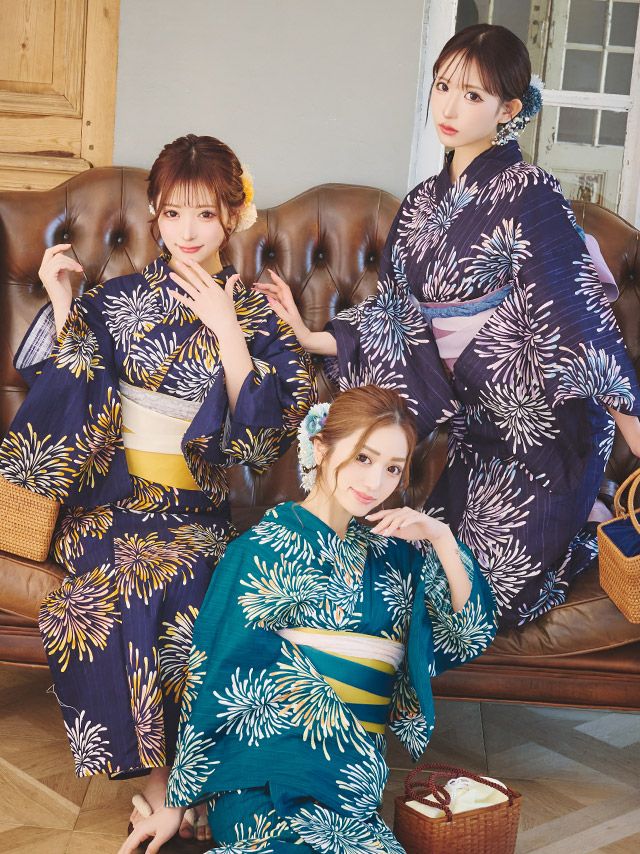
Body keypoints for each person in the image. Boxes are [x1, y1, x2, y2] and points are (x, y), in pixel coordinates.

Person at [255, 24, 640, 628]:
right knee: (419, 576)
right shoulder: (420, 204)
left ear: (509, 110)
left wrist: (633, 427)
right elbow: (395, 315)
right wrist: (310, 337)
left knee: (479, 597)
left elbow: (571, 311)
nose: (450, 108)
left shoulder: (531, 192)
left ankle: (579, 518)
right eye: (442, 87)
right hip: (477, 430)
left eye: (473, 95)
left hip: (542, 434)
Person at [0, 134, 316, 842]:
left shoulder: (257, 314)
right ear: (155, 214)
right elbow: (70, 392)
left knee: (193, 579)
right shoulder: (116, 300)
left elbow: (262, 445)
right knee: (127, 580)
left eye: (205, 213)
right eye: (173, 213)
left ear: (233, 214)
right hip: (109, 502)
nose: (188, 231)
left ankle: (183, 783)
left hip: (194, 509)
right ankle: (168, 782)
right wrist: (62, 303)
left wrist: (229, 333)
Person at [119, 385, 497, 853]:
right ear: (321, 448)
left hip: (350, 782)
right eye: (363, 458)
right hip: (264, 769)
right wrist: (178, 801)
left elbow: (467, 635)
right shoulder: (258, 549)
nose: (376, 482)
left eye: (392, 468)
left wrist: (441, 539)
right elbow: (212, 679)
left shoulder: (399, 557)